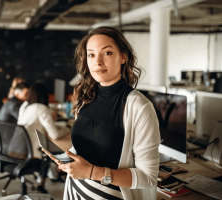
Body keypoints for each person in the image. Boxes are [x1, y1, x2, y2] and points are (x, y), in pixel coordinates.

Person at [42, 26, 161, 200]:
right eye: (91, 54)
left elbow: (148, 178)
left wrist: (90, 172)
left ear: (122, 57)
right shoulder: (85, 98)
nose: (97, 62)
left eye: (107, 53)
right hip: (75, 191)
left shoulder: (139, 106)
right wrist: (68, 160)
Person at [17, 82, 70, 193]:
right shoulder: (41, 108)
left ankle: (50, 176)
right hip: (31, 153)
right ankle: (54, 176)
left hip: (18, 149)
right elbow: (54, 134)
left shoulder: (27, 107)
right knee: (55, 149)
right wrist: (68, 128)